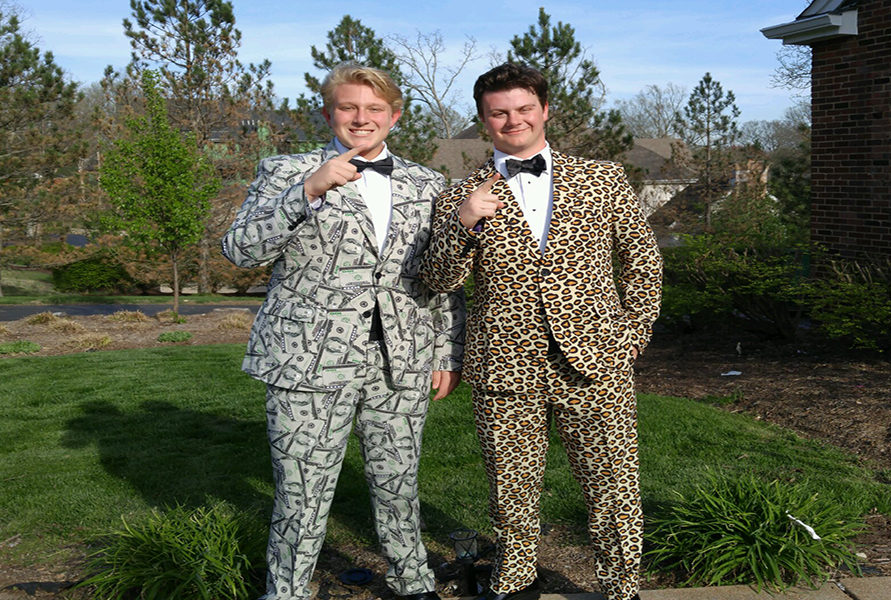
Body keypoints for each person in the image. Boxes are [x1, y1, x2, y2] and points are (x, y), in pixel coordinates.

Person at [222, 62, 465, 600]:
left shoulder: (429, 184)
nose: (362, 118)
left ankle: (413, 580)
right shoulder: (286, 171)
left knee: (399, 484)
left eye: (375, 108)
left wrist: (447, 352)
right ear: (330, 112)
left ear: (394, 116)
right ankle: (286, 591)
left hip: (402, 360)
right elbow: (241, 251)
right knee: (301, 493)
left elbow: (443, 276)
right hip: (306, 360)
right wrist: (307, 191)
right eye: (349, 107)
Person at [421, 62, 662, 600]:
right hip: (504, 364)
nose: (514, 120)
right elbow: (438, 280)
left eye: (524, 108)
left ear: (545, 110)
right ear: (484, 120)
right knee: (511, 491)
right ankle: (516, 581)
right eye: (499, 112)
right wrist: (464, 223)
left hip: (598, 362)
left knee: (614, 486)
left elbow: (643, 265)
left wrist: (631, 337)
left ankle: (623, 588)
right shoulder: (458, 194)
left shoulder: (602, 179)